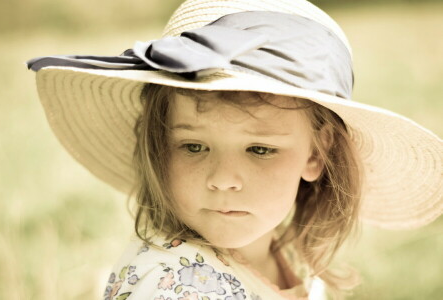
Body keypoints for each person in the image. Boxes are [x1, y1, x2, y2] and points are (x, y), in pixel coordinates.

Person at [26, 0, 442, 299]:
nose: (223, 179)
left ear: (316, 154)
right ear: (158, 145)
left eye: (260, 150)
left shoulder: (285, 253)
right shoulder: (176, 286)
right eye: (193, 146)